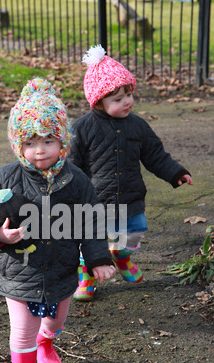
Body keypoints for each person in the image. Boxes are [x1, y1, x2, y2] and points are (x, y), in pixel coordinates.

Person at [0, 77, 115, 363]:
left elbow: (91, 220)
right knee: (22, 331)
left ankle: (47, 344)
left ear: (62, 142)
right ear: (17, 144)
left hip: (63, 269)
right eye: (31, 141)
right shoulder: (5, 178)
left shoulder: (76, 180)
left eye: (49, 140)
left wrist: (97, 258)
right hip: (20, 271)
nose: (40, 150)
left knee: (56, 320)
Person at [68, 45, 193, 301]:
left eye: (128, 94)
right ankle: (87, 276)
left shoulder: (137, 125)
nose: (127, 101)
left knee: (132, 235)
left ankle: (122, 258)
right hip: (96, 199)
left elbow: (155, 154)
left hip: (131, 195)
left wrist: (175, 173)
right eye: (117, 98)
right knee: (91, 241)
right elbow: (72, 162)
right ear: (99, 102)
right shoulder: (83, 128)